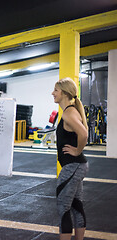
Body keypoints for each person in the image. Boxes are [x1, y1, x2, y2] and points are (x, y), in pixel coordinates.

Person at [52, 77, 89, 240]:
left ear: (65, 93)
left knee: (64, 208)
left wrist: (77, 150)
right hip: (77, 166)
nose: (52, 93)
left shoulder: (69, 113)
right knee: (76, 205)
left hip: (73, 166)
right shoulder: (70, 110)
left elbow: (84, 133)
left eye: (56, 90)